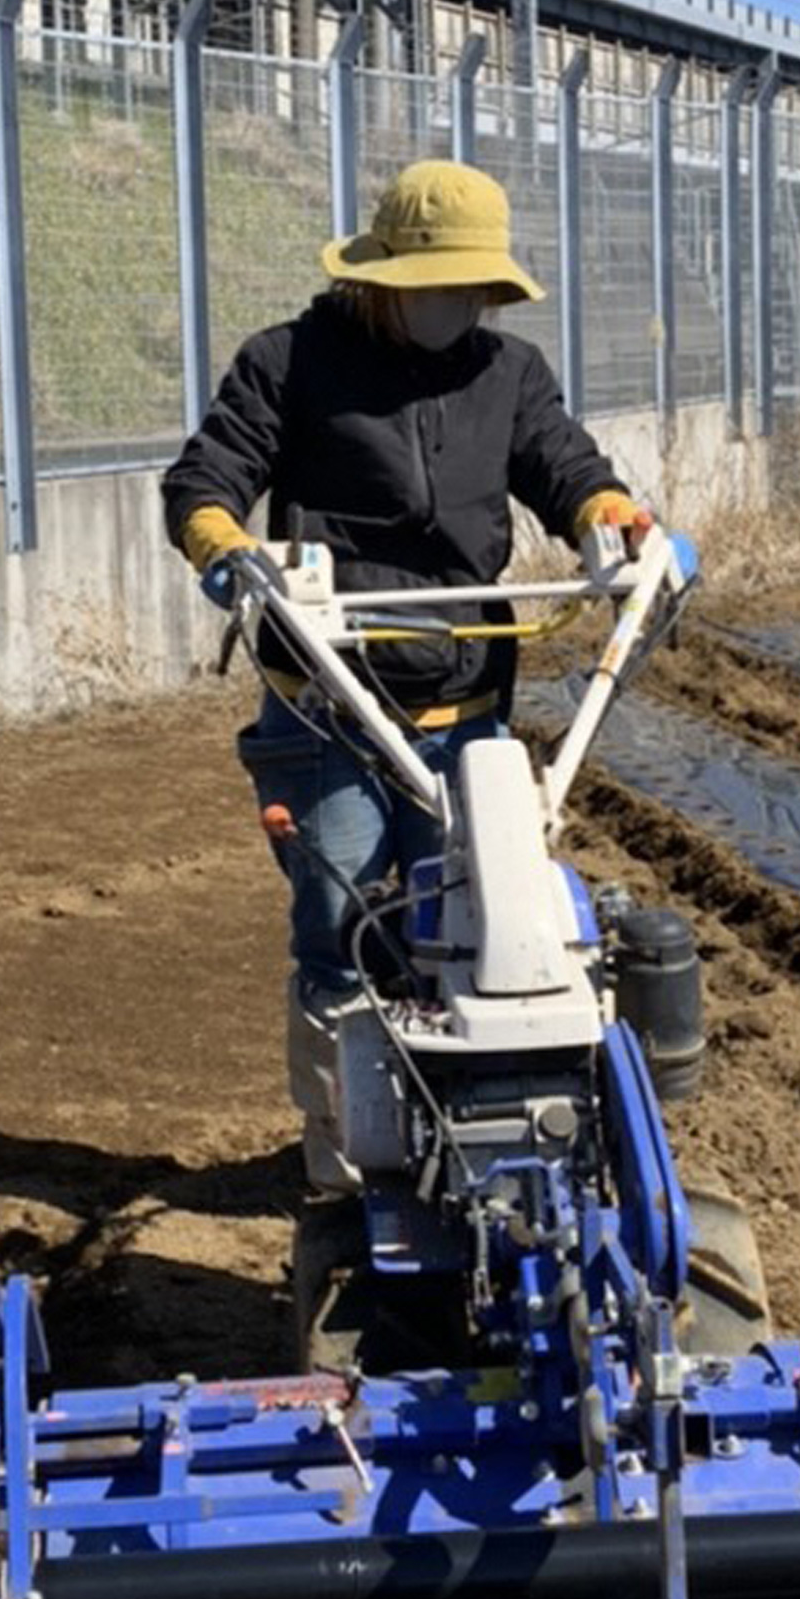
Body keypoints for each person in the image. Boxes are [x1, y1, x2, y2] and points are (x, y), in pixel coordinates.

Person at [160, 157, 654, 1184]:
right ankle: (343, 1156)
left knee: (480, 922)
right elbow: (206, 479)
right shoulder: (290, 364)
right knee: (344, 928)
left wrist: (612, 520)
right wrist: (225, 549)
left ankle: (474, 1142)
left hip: (469, 701)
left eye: (474, 290)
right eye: (441, 289)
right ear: (383, 280)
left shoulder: (505, 373)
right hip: (330, 702)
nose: (458, 308)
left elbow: (563, 464)